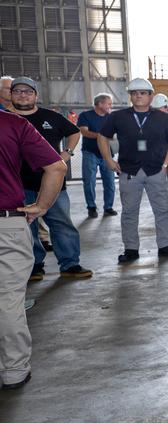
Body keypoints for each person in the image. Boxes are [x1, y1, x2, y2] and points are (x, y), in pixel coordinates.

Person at [1, 107, 67, 390]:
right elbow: (56, 167)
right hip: (6, 223)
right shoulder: (13, 124)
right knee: (8, 300)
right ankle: (14, 370)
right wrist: (41, 206)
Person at [7, 77, 92, 281]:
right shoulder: (6, 119)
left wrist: (67, 153)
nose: (23, 95)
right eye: (17, 91)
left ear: (36, 95)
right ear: (10, 95)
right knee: (27, 227)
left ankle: (70, 263)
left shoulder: (50, 117)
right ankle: (35, 265)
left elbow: (74, 132)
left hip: (53, 184)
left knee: (61, 223)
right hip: (19, 184)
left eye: (28, 91)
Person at [97, 78, 168, 263]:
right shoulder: (118, 117)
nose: (139, 96)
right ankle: (131, 250)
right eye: (135, 93)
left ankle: (165, 247)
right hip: (129, 171)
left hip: (155, 171)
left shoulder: (163, 117)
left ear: (151, 96)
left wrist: (165, 165)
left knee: (162, 210)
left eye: (143, 93)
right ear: (130, 96)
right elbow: (102, 137)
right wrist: (109, 160)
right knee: (129, 212)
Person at [76, 92, 117, 217]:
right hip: (90, 153)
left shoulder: (111, 117)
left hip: (107, 155)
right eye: (108, 103)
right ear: (100, 104)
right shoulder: (85, 115)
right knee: (89, 182)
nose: (110, 106)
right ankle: (91, 207)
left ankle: (108, 207)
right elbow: (84, 132)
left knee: (110, 182)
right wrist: (101, 136)